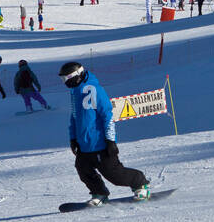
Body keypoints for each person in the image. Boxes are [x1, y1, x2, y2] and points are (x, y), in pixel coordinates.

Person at [60, 61, 149, 204]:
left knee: (115, 175)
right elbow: (74, 117)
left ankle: (140, 183)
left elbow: (107, 115)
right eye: (62, 79)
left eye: (66, 78)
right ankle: (99, 193)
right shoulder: (75, 91)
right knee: (83, 169)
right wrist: (73, 138)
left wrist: (110, 140)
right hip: (84, 145)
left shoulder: (95, 89)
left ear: (76, 75)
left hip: (100, 144)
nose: (65, 82)